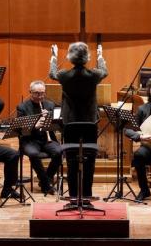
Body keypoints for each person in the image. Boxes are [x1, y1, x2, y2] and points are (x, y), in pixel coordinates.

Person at [49, 41, 107, 199]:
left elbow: (52, 73)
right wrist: (100, 55)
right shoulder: (94, 75)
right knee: (90, 159)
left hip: (70, 123)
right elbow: (104, 71)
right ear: (87, 57)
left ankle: (74, 195)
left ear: (70, 57)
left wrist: (54, 56)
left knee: (71, 159)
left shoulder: (64, 76)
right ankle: (87, 195)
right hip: (89, 123)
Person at [15, 81, 62, 195]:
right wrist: (35, 126)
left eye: (42, 93)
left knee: (60, 152)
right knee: (33, 154)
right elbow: (20, 130)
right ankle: (46, 184)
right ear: (30, 92)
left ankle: (46, 178)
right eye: (37, 93)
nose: (40, 96)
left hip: (47, 139)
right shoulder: (22, 107)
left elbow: (58, 124)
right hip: (30, 140)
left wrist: (49, 119)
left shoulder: (50, 105)